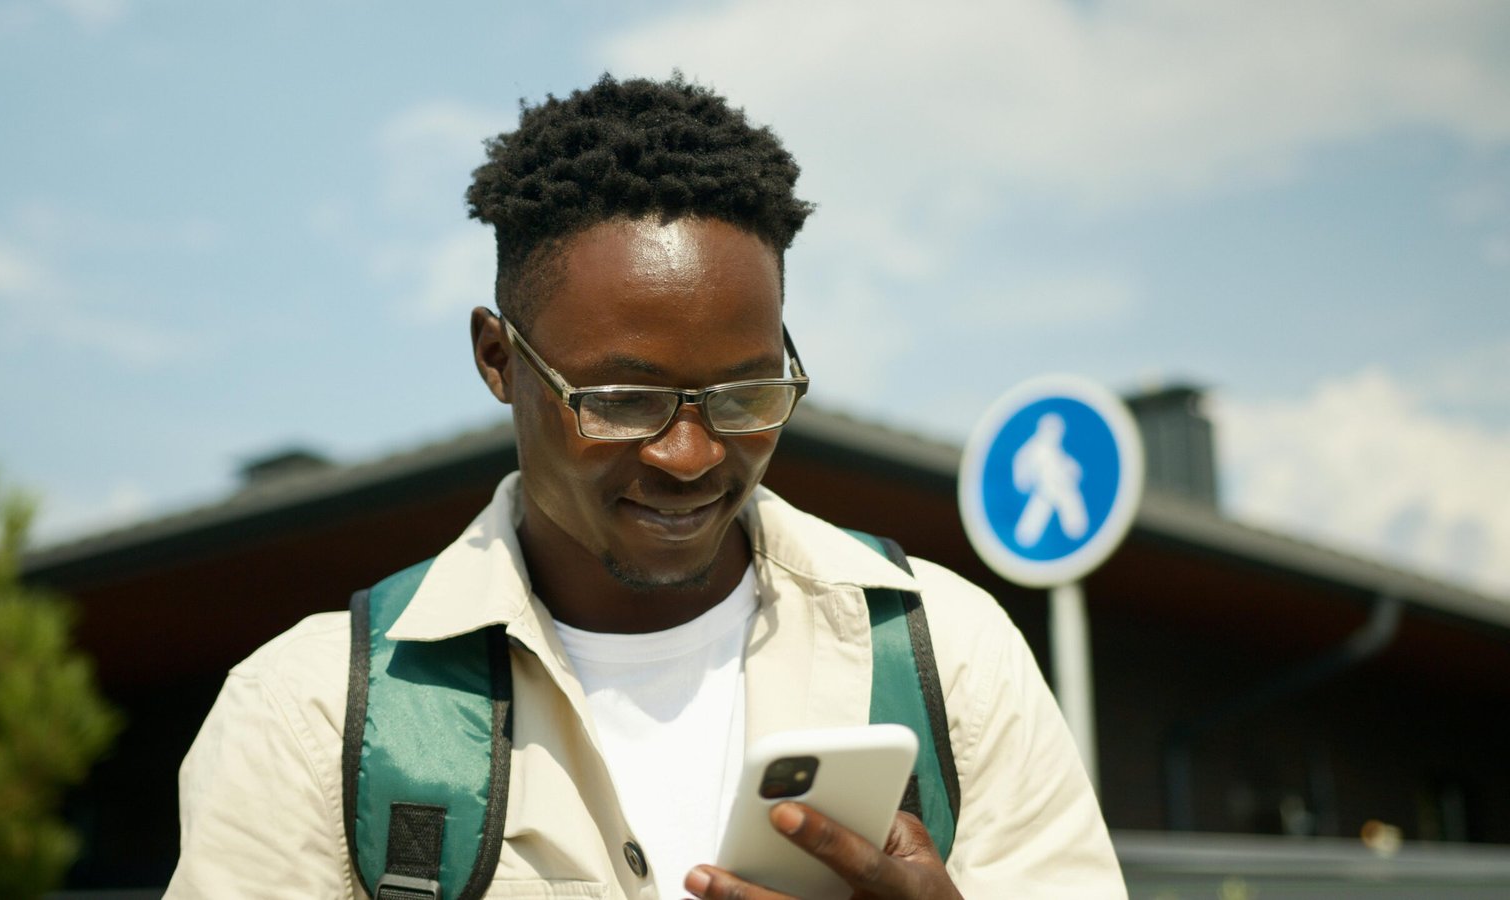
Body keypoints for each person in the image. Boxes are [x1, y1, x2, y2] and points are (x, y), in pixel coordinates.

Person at [168, 74, 1125, 899]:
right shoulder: (319, 716)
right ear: (498, 360)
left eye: (748, 394)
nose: (692, 456)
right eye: (623, 402)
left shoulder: (946, 659)